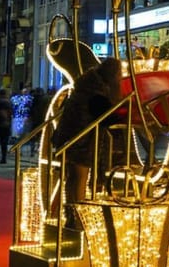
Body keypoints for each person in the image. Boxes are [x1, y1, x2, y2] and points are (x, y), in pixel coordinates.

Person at [51, 58, 124, 217]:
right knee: (79, 179)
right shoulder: (97, 94)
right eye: (119, 74)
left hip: (69, 138)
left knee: (72, 179)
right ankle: (77, 216)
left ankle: (69, 213)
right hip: (82, 142)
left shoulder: (84, 88)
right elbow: (105, 118)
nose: (121, 77)